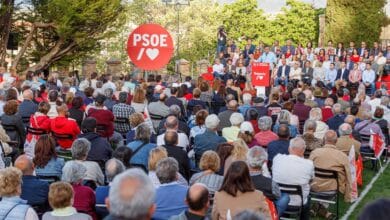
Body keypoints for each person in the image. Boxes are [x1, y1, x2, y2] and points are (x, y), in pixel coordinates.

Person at [309, 130, 352, 218]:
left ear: (324, 140)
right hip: (331, 189)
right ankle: (323, 211)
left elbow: (307, 170)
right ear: (336, 141)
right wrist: (347, 196)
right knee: (339, 179)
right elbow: (349, 176)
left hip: (313, 186)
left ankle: (316, 207)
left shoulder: (315, 152)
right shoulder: (342, 156)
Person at [272, 137, 314, 220]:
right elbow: (311, 179)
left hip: (279, 200)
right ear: (303, 150)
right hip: (297, 203)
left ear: (289, 148)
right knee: (308, 195)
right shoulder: (308, 164)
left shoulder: (277, 159)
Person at [247, 146, 289, 216]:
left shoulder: (239, 180)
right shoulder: (270, 183)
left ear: (248, 160)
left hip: (244, 210)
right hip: (265, 213)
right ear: (264, 162)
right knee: (285, 197)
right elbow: (277, 196)